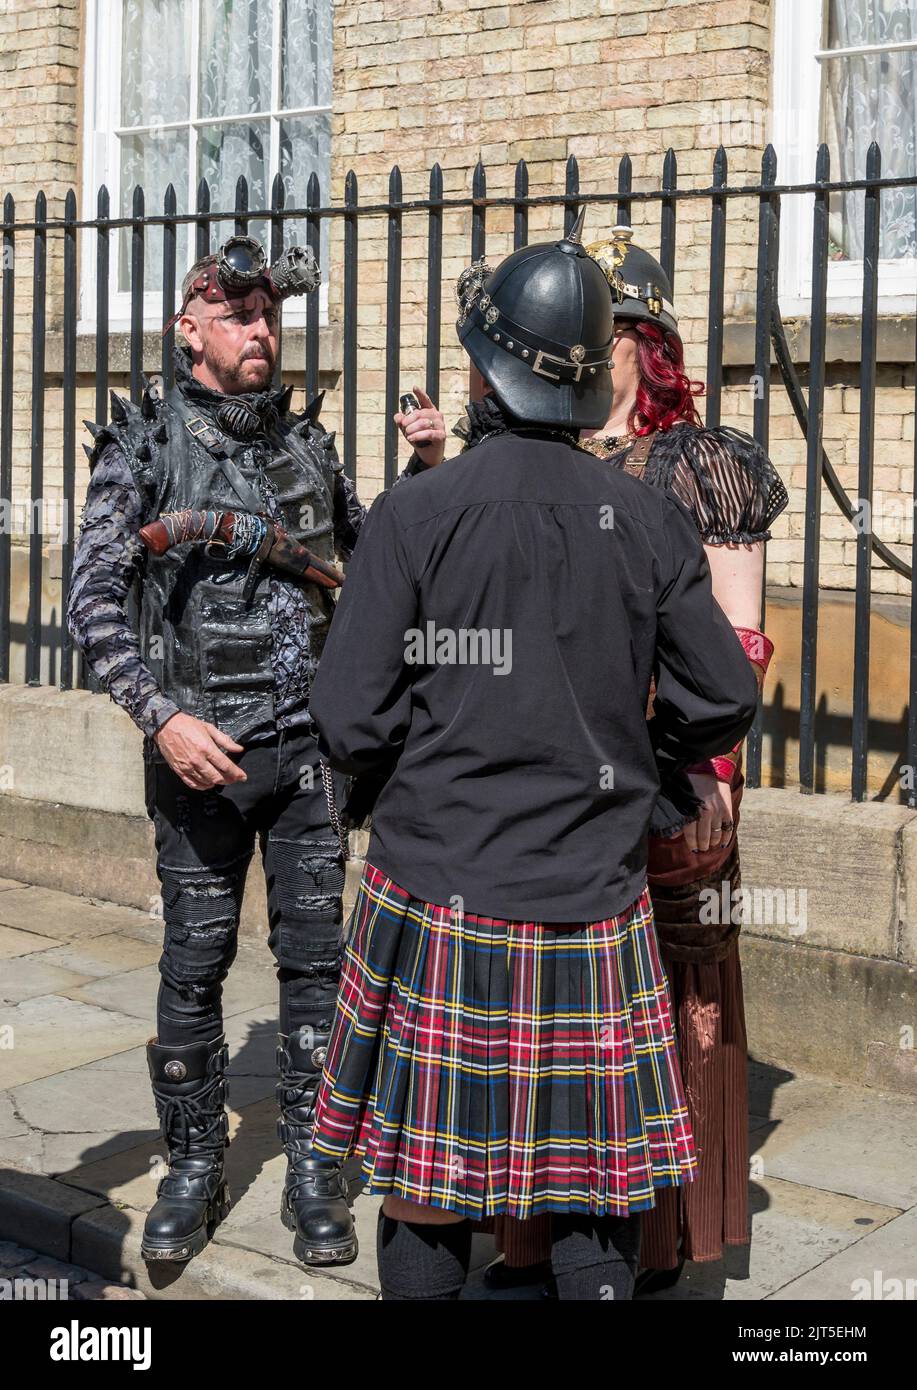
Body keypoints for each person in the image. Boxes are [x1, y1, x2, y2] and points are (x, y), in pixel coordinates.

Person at [304, 213, 759, 1300]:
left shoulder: (415, 513)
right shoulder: (642, 520)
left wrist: (413, 775)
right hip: (590, 898)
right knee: (590, 1182)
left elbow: (349, 719)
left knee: (423, 1184)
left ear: (485, 364)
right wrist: (638, 767)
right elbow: (723, 697)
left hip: (436, 890)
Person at [67, 237, 433, 1268]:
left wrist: (424, 467)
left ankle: (317, 1163)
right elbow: (89, 599)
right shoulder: (140, 449)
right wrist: (160, 718)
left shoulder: (308, 448)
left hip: (310, 759)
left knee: (317, 967)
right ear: (189, 328)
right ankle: (192, 1166)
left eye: (269, 313)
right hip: (201, 761)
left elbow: (375, 558)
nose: (261, 329)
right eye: (237, 314)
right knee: (194, 967)